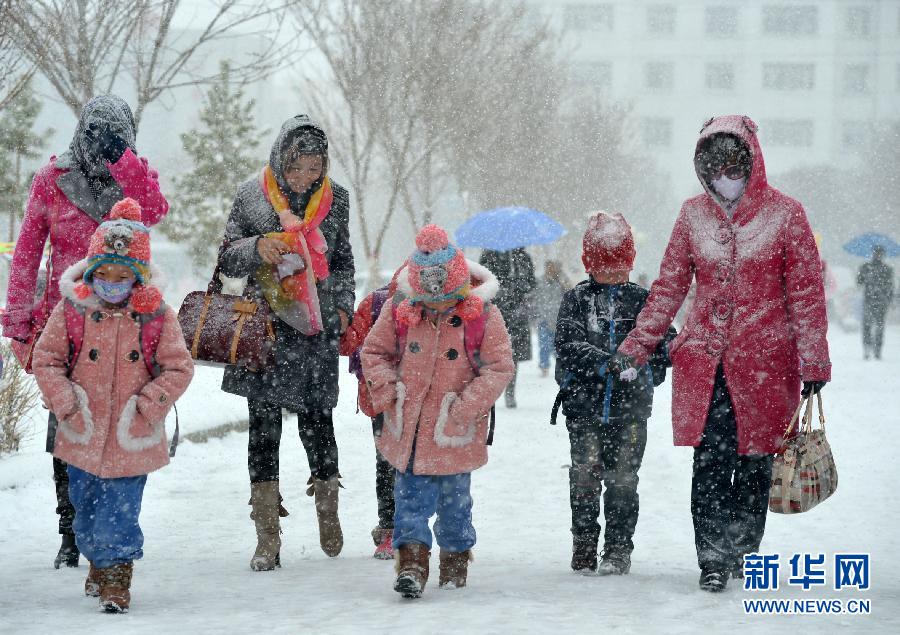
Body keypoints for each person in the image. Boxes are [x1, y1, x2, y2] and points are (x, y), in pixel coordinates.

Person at [610, 115, 831, 592]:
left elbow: (806, 295)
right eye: (713, 169)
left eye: (733, 167)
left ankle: (742, 551)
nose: (724, 178)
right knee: (710, 464)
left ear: (752, 164)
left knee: (754, 465)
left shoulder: (786, 215)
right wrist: (637, 345)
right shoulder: (692, 216)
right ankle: (711, 557)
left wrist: (814, 361)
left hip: (766, 367)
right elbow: (669, 286)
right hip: (706, 366)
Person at [2, 95, 168, 569]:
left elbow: (154, 210)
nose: (103, 142)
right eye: (97, 132)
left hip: (126, 323)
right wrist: (18, 323)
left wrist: (124, 159)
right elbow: (28, 255)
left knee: (118, 423)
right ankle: (70, 527)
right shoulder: (52, 179)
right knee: (67, 421)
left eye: (116, 133)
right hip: (67, 320)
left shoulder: (135, 175)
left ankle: (108, 524)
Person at [32, 198, 193, 612]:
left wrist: (147, 406)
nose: (112, 282)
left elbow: (179, 368)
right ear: (91, 271)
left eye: (123, 275)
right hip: (82, 429)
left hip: (131, 433)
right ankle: (98, 562)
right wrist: (66, 402)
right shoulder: (73, 310)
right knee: (84, 512)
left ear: (138, 278)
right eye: (103, 273)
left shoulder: (156, 315)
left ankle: (118, 575)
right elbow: (46, 359)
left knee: (120, 511)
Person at [217, 115, 355, 571]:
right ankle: (266, 535)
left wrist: (343, 308)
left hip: (314, 328)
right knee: (264, 431)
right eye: (296, 167)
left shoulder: (337, 200)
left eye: (314, 167)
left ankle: (327, 509)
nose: (304, 177)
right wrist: (258, 245)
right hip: (265, 330)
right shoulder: (251, 195)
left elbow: (343, 261)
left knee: (319, 423)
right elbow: (227, 259)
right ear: (281, 159)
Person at [361, 225, 513, 598]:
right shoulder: (402, 312)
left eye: (446, 300)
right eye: (431, 301)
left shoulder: (483, 316)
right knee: (409, 501)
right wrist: (389, 390)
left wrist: (466, 407)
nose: (438, 307)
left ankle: (455, 563)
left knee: (455, 504)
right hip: (409, 431)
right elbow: (373, 352)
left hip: (454, 429)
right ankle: (411, 564)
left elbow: (499, 367)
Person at [554, 212, 674, 576]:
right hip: (584, 408)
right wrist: (608, 363)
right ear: (589, 264)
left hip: (631, 409)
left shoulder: (644, 300)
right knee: (585, 477)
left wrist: (647, 370)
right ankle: (585, 541)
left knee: (624, 480)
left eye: (619, 268)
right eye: (604, 268)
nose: (612, 275)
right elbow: (567, 344)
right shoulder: (576, 300)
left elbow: (664, 343)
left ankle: (619, 547)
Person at [339, 270, 402, 560]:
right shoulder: (376, 303)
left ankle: (402, 528)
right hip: (381, 397)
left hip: (413, 397)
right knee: (390, 463)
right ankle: (391, 527)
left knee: (402, 465)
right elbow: (348, 344)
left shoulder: (433, 305)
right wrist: (337, 320)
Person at [478, 247, 535, 407]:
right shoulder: (489, 255)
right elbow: (481, 281)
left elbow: (531, 284)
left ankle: (509, 392)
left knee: (513, 355)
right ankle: (491, 392)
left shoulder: (523, 257)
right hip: (496, 311)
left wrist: (518, 287)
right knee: (491, 354)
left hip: (516, 313)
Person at [530, 259, 568, 377]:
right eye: (548, 267)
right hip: (544, 319)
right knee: (544, 343)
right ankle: (544, 366)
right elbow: (534, 298)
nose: (550, 270)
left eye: (552, 267)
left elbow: (569, 294)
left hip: (558, 319)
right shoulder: (539, 282)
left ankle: (561, 365)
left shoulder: (560, 282)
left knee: (557, 345)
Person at [856, 245, 894, 360]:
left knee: (872, 326)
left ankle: (872, 349)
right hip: (877, 301)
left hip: (874, 301)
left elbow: (859, 282)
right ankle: (873, 350)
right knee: (876, 326)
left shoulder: (867, 267)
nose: (878, 255)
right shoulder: (885, 268)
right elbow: (890, 287)